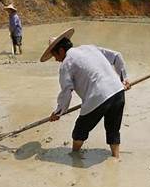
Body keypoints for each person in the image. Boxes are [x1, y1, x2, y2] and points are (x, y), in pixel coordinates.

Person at [40, 28, 130, 158]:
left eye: (55, 56)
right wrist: (124, 79)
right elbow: (117, 56)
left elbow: (66, 91)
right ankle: (116, 158)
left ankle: (74, 156)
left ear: (61, 50)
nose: (56, 60)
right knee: (113, 129)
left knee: (79, 132)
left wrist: (58, 112)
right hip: (117, 91)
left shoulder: (66, 63)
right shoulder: (89, 48)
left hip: (97, 98)